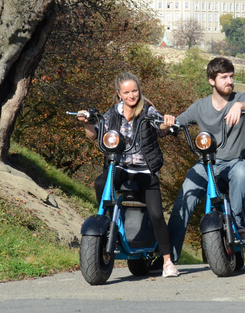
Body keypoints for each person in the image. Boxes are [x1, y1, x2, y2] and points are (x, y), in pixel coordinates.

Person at [76, 72, 180, 278]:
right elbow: (95, 135)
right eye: (126, 92)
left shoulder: (148, 110)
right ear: (119, 94)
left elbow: (160, 127)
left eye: (134, 90)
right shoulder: (113, 113)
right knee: (101, 183)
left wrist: (167, 123)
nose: (132, 95)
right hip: (120, 167)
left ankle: (167, 261)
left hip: (145, 170)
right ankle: (107, 227)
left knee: (157, 214)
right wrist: (85, 122)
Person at [167, 57, 245, 263]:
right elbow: (177, 124)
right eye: (224, 77)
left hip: (236, 162)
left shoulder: (240, 98)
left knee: (242, 172)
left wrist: (238, 106)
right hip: (208, 163)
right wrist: (168, 123)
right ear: (211, 81)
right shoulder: (200, 106)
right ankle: (168, 258)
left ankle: (239, 224)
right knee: (184, 200)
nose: (229, 81)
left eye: (231, 77)